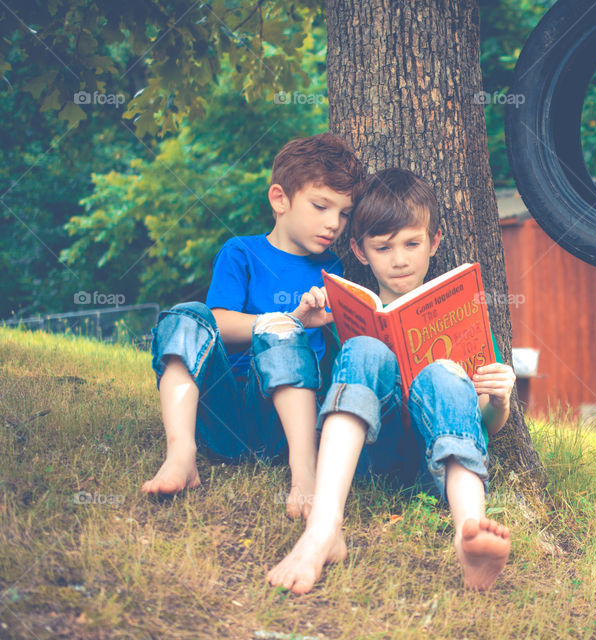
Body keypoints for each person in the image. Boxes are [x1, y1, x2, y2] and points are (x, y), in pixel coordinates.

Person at [267, 168, 515, 593]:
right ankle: (323, 528)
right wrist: (306, 324)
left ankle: (468, 533)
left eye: (412, 244)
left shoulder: (463, 318)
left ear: (434, 242)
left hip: (432, 466)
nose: (399, 259)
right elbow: (314, 391)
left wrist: (500, 402)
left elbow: (482, 425)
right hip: (369, 460)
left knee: (442, 372)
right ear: (360, 252)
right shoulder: (341, 316)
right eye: (383, 248)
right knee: (365, 349)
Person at [140, 133, 367, 521]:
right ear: (280, 199)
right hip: (222, 412)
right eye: (321, 206)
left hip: (283, 422)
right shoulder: (241, 253)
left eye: (344, 213)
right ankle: (181, 455)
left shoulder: (332, 269)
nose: (334, 224)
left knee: (284, 333)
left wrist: (311, 324)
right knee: (184, 314)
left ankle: (305, 472)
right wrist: (289, 319)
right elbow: (216, 323)